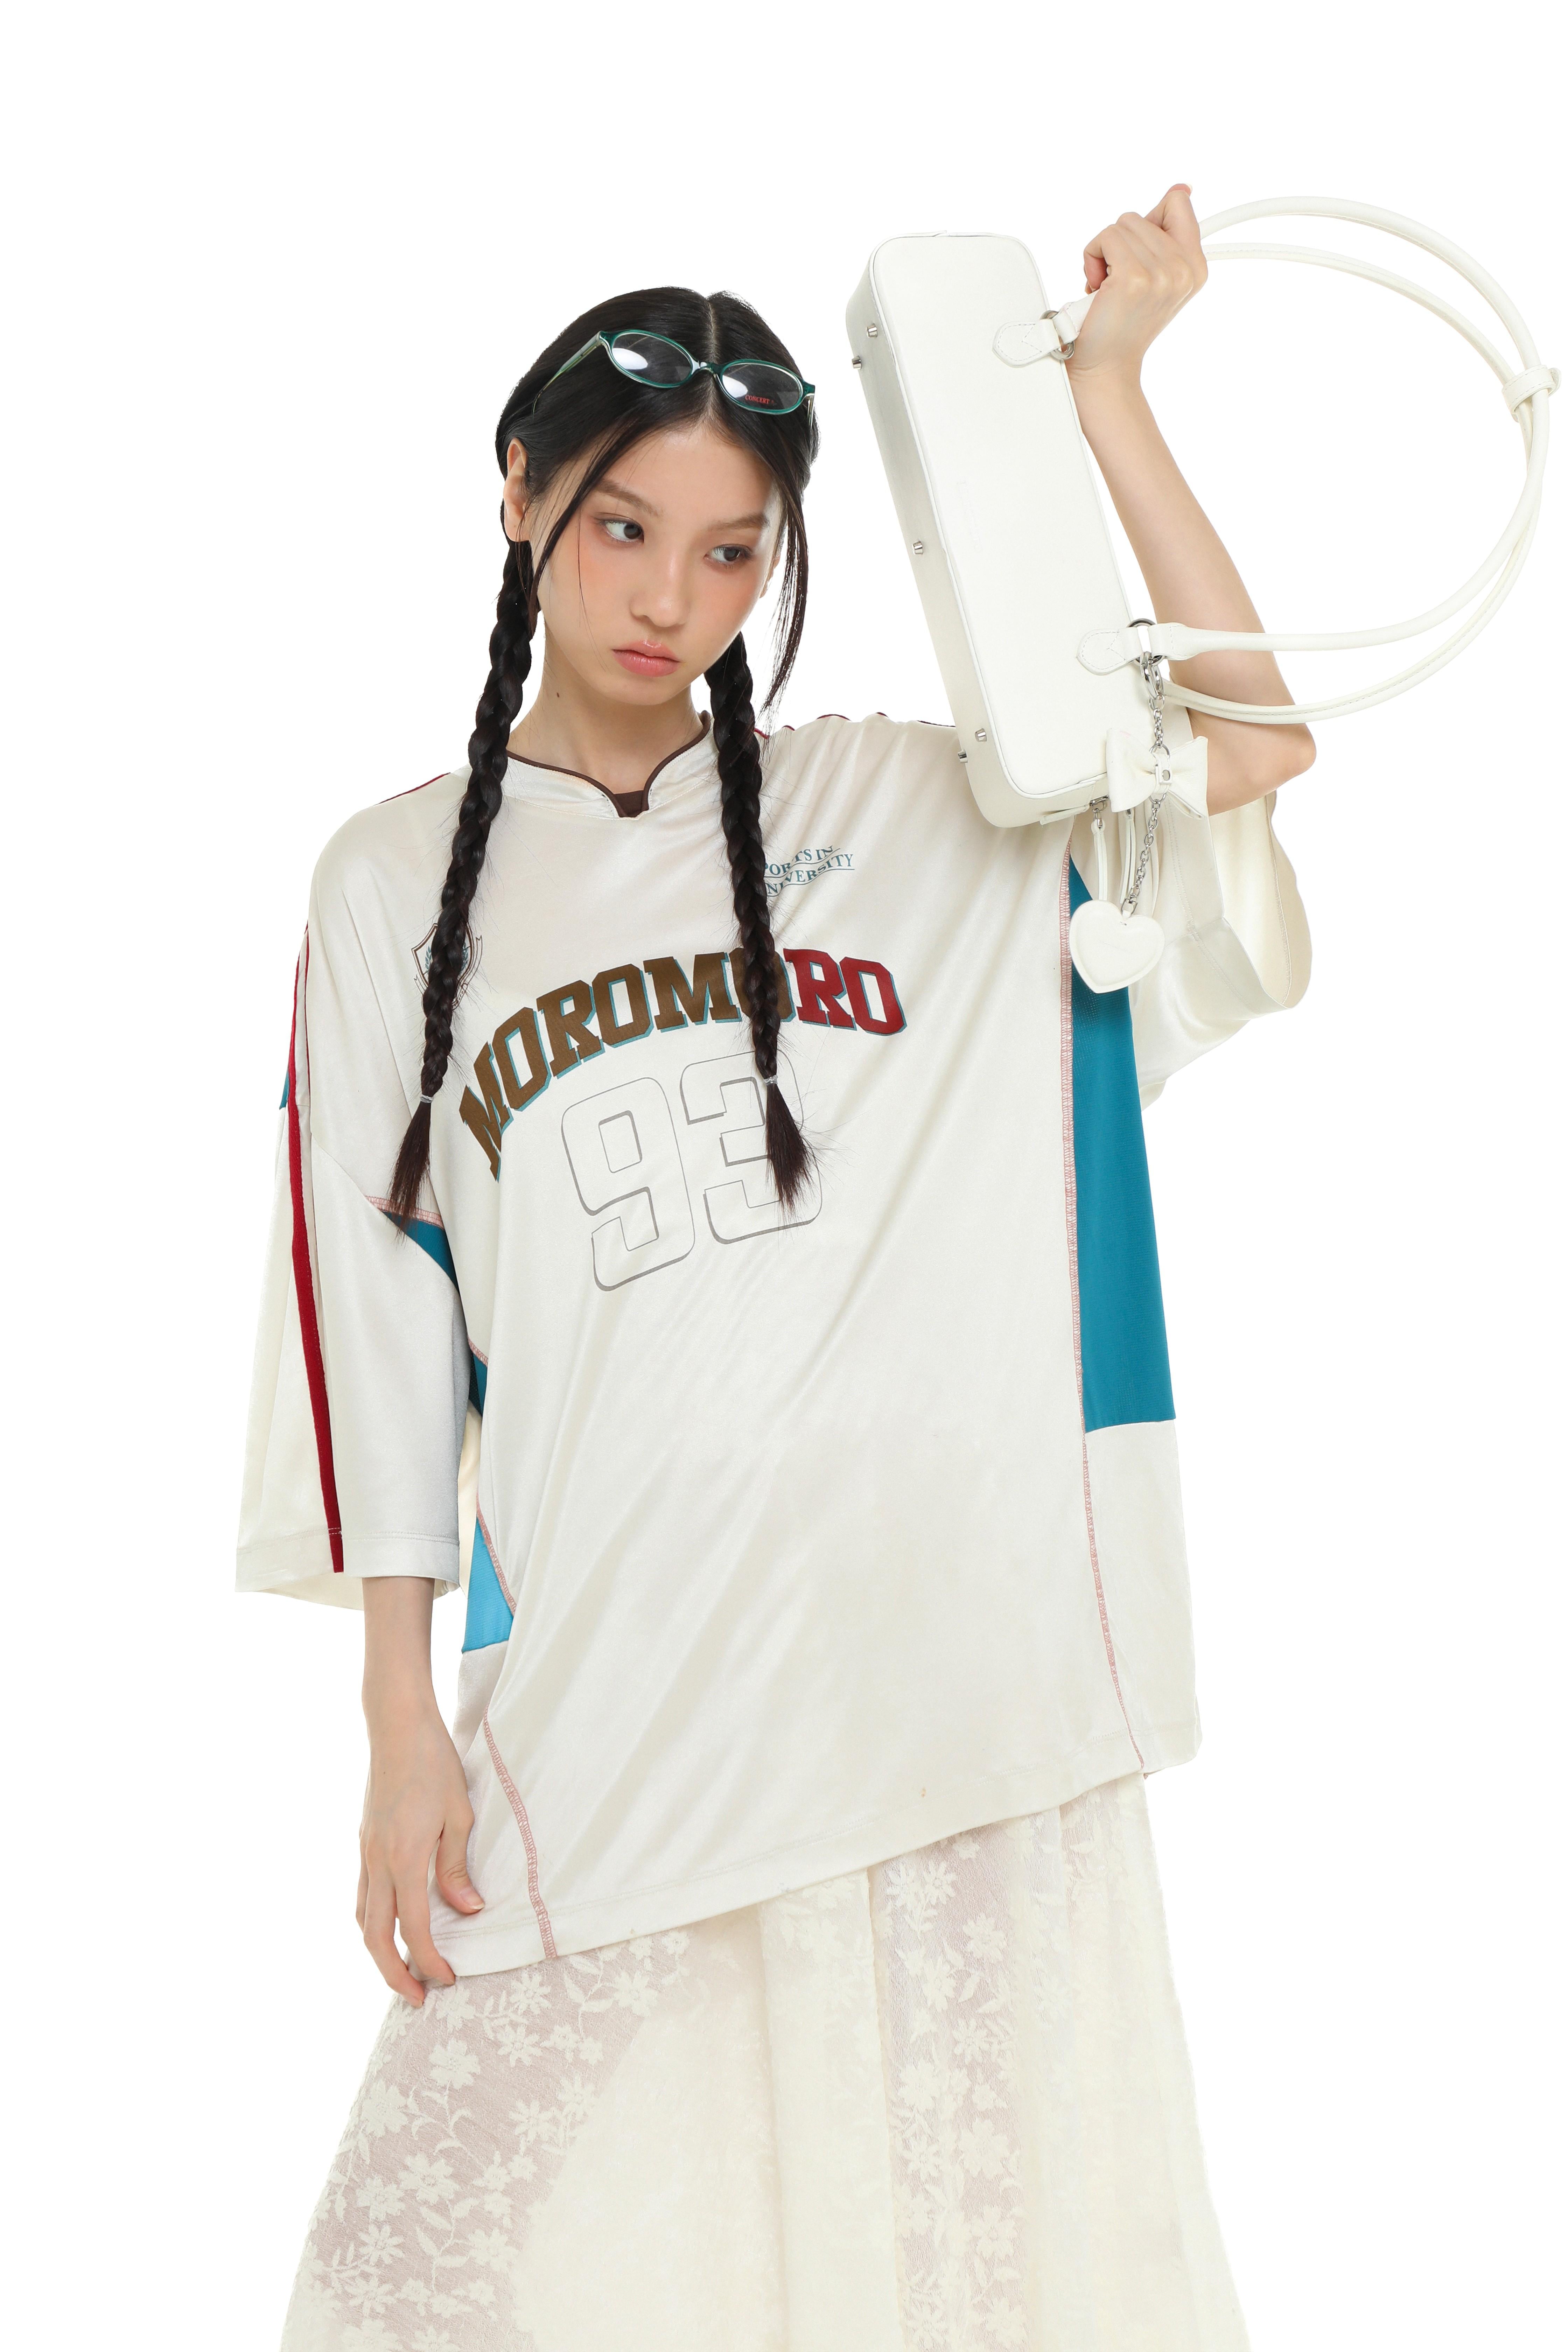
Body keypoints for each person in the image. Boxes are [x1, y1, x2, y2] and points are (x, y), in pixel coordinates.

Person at [238, 184, 1314, 2350]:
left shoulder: (917, 802)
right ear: (522, 494)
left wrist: (1108, 397)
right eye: (627, 528)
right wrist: (398, 1723)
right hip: (626, 1675)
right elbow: (374, 1327)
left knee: (978, 2259)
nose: (673, 598)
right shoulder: (387, 889)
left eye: (735, 552)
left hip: (951, 1663)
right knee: (413, 2272)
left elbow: (1250, 748)